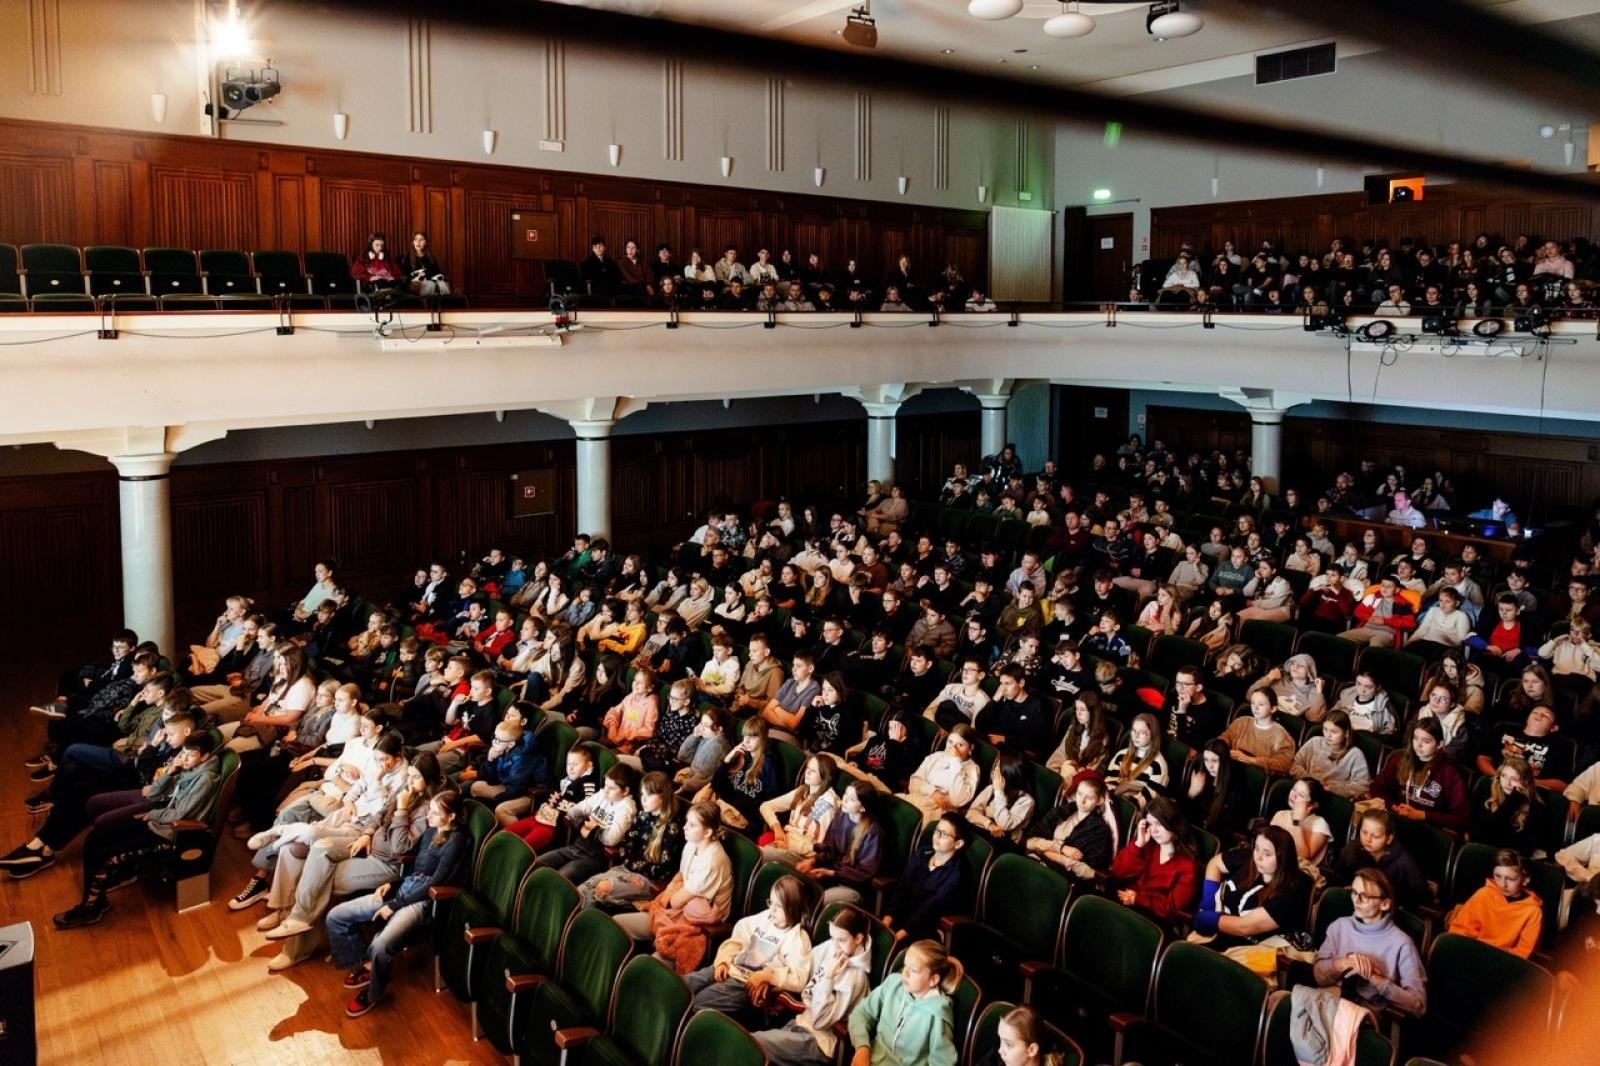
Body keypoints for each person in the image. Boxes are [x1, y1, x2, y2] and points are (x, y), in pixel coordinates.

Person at [53, 733, 223, 929]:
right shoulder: (187, 769)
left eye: (190, 755)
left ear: (204, 757)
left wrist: (151, 815)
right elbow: (154, 793)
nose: (184, 758)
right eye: (183, 753)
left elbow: (181, 813)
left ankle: (89, 908)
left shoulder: (205, 779)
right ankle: (96, 902)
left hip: (169, 833)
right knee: (94, 838)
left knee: (105, 853)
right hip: (157, 822)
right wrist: (171, 771)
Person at [328, 788, 471, 1017]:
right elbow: (415, 870)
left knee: (380, 945)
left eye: (434, 813)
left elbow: (433, 884)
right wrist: (392, 886)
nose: (428, 816)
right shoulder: (431, 831)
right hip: (404, 889)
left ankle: (374, 992)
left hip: (421, 901)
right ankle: (369, 964)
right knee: (336, 916)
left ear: (451, 816)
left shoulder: (457, 841)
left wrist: (394, 905)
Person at [684, 874, 814, 1016]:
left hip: (746, 984)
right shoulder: (766, 917)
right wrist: (723, 961)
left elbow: (798, 979)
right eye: (771, 902)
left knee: (697, 1002)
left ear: (793, 909)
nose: (772, 909)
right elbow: (737, 941)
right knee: (686, 984)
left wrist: (768, 976)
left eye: (779, 906)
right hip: (730, 966)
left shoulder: (798, 939)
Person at [1311, 867, 1428, 1018]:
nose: (1356, 900)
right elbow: (1318, 976)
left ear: (1385, 904)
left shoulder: (1402, 944)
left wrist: (1373, 977)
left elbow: (1419, 1005)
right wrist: (1344, 964)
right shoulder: (1339, 926)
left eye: (1365, 896)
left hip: (1365, 1018)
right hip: (1329, 1003)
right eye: (1354, 892)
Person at [846, 938, 963, 1066]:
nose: (905, 973)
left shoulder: (937, 1013)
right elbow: (861, 1013)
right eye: (905, 965)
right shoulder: (893, 984)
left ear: (933, 980)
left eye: (913, 970)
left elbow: (942, 1062)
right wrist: (862, 1047)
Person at [1194, 824, 1311, 951]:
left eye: (1267, 854)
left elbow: (1244, 926)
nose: (1258, 857)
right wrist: (1208, 901)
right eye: (1257, 848)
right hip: (1219, 936)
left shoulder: (1290, 893)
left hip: (1250, 951)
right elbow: (1215, 864)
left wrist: (1211, 920)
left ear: (1283, 859)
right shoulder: (1248, 857)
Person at [1109, 795, 1201, 922]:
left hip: (1153, 918)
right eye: (1150, 824)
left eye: (1159, 824)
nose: (1154, 830)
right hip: (1125, 901)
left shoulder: (1188, 866)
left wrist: (1138, 899)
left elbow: (1173, 907)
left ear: (1172, 824)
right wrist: (1138, 845)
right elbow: (1118, 872)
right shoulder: (1145, 845)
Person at [1371, 717, 1469, 831]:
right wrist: (1393, 806)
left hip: (1429, 829)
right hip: (1398, 820)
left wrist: (1422, 815)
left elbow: (1462, 818)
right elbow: (1376, 788)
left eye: (1426, 741)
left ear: (1439, 745)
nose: (1418, 745)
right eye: (1415, 738)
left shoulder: (1450, 774)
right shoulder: (1399, 760)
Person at [1446, 848, 1543, 959]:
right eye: (1498, 876)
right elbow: (1460, 931)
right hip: (1470, 954)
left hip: (1504, 963)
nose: (1502, 884)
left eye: (1510, 879)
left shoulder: (1533, 912)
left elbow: (1522, 953)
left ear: (1525, 879)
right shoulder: (1483, 894)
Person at [887, 813, 970, 942]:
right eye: (937, 831)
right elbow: (902, 889)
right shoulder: (922, 853)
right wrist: (887, 921)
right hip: (902, 917)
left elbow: (930, 909)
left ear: (958, 844)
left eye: (944, 835)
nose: (936, 838)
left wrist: (898, 936)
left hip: (926, 929)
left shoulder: (956, 874)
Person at [1328, 808, 1432, 909]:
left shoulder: (1404, 863)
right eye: (1364, 832)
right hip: (1354, 904)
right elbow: (1338, 877)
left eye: (1376, 836)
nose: (1368, 839)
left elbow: (1419, 896)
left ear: (1389, 839)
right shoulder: (1352, 850)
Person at [1025, 774, 1114, 882]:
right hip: (1034, 860)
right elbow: (1029, 841)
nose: (1082, 801)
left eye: (1089, 797)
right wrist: (1062, 849)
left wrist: (1044, 849)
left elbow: (1089, 872)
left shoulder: (1100, 830)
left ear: (1100, 800)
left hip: (1059, 878)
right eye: (1080, 793)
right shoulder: (1062, 811)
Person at [760, 753, 840, 864]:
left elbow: (822, 849)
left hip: (802, 855)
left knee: (760, 856)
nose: (807, 772)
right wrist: (777, 828)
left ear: (826, 777)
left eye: (813, 771)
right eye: (808, 768)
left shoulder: (827, 806)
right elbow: (766, 806)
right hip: (787, 839)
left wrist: (790, 845)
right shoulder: (804, 790)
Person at [901, 723, 980, 825]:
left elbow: (958, 800)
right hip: (917, 799)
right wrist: (932, 791)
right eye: (950, 742)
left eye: (960, 745)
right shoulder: (936, 756)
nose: (953, 748)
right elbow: (913, 783)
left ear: (970, 748)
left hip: (938, 812)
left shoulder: (973, 769)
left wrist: (956, 761)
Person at [1291, 710, 1372, 799]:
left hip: (1333, 797)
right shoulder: (1314, 742)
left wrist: (1333, 788)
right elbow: (1295, 766)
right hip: (1307, 791)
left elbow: (1362, 786)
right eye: (1325, 729)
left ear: (1346, 733)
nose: (1328, 735)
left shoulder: (1355, 754)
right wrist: (1311, 782)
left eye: (1334, 732)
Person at [1220, 688, 1295, 774]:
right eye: (1253, 703)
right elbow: (1225, 738)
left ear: (1273, 708)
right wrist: (1222, 749)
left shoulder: (1280, 734)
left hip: (1257, 776)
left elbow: (1283, 765)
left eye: (1261, 704)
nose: (1255, 708)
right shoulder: (1242, 722)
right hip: (1231, 768)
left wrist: (1249, 759)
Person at [964, 754, 1036, 844]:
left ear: (1008, 775)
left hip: (1004, 841)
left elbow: (1004, 824)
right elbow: (971, 813)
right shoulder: (991, 788)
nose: (994, 772)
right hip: (982, 831)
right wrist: (989, 824)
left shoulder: (1026, 801)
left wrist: (999, 792)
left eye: (997, 770)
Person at [1105, 713, 1170, 806]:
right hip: (1112, 800)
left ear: (1153, 735)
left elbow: (1149, 798)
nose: (1136, 736)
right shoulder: (1121, 754)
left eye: (1142, 732)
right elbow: (1109, 780)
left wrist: (1124, 799)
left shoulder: (1158, 765)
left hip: (1132, 808)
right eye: (1134, 731)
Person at [398, 231, 450, 298]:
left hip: (429, 280)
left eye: (421, 240)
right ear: (413, 242)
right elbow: (404, 276)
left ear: (426, 242)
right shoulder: (407, 257)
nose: (418, 242)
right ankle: (426, 304)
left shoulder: (430, 257)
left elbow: (436, 273)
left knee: (442, 284)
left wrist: (428, 275)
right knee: (430, 284)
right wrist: (416, 277)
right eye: (416, 239)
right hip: (414, 283)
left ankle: (446, 305)